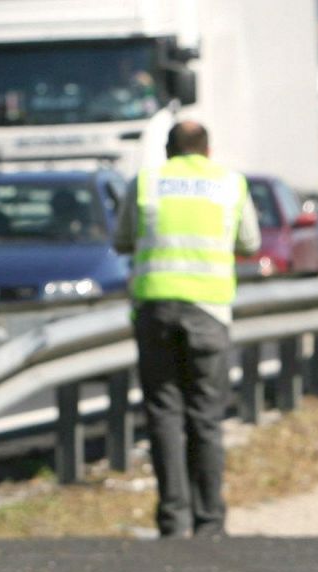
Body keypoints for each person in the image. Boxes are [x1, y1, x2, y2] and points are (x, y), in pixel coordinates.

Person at [114, 120, 259, 537]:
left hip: (155, 309)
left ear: (168, 151)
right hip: (208, 311)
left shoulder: (147, 182)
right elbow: (248, 242)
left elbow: (123, 239)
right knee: (206, 419)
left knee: (164, 414)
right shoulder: (229, 183)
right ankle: (210, 521)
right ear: (207, 151)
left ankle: (173, 521)